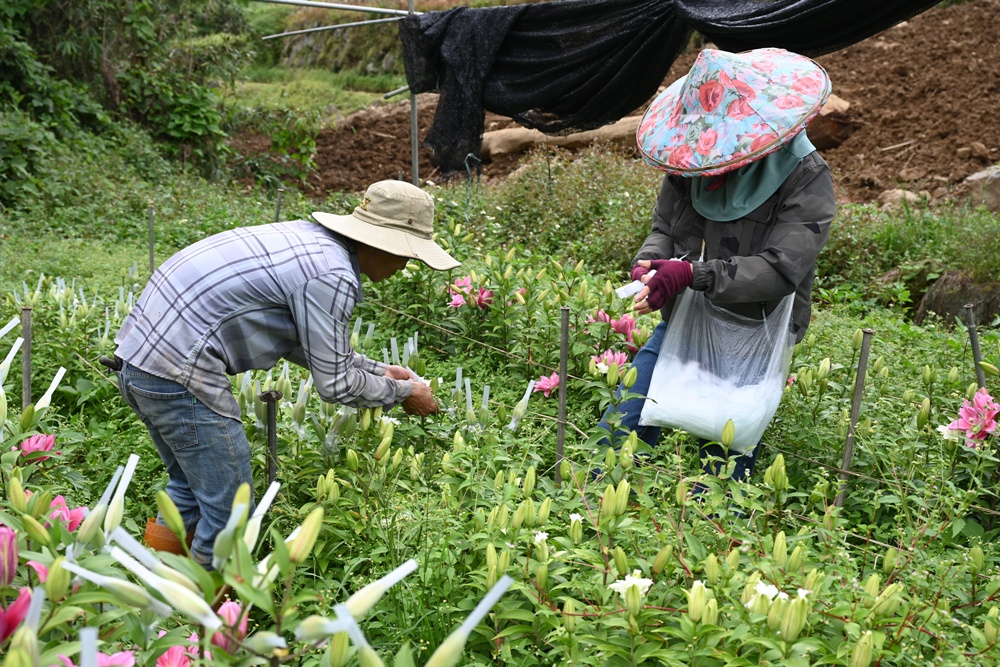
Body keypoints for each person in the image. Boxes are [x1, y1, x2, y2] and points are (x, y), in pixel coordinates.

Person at [111, 180, 459, 566]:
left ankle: (155, 586)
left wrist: (380, 371)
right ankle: (200, 616)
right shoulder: (332, 275)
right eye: (407, 255)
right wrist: (405, 393)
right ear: (382, 243)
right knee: (232, 512)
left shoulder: (309, 242)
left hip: (139, 360)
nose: (405, 265)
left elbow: (307, 344)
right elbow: (336, 383)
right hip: (179, 371)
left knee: (191, 488)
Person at [601, 47, 837, 481]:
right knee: (617, 432)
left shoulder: (804, 177)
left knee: (721, 466)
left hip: (754, 333)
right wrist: (650, 265)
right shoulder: (691, 159)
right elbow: (665, 230)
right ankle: (590, 508)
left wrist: (694, 274)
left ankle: (715, 532)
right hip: (685, 322)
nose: (707, 168)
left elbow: (782, 269)